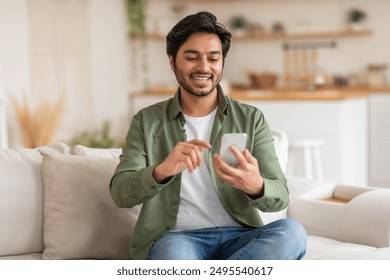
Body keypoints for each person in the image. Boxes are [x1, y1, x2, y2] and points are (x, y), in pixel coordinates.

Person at [110, 11, 307, 260]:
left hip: (240, 236)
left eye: (213, 59)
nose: (204, 67)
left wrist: (257, 186)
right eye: (192, 57)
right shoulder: (146, 121)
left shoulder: (251, 118)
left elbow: (280, 195)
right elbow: (120, 193)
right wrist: (161, 170)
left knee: (293, 232)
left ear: (222, 63)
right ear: (172, 62)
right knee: (172, 254)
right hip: (178, 239)